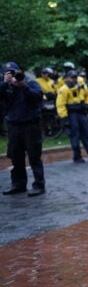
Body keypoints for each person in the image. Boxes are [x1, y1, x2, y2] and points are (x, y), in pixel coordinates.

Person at [1, 62, 45, 196]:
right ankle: (18, 184)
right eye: (9, 73)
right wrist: (5, 83)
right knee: (15, 155)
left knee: (34, 155)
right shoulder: (5, 86)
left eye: (14, 72)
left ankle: (39, 185)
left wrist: (24, 87)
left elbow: (38, 97)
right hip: (14, 125)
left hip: (30, 125)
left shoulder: (30, 83)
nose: (13, 76)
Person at [56, 70, 88, 162]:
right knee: (75, 135)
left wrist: (87, 104)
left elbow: (87, 95)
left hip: (81, 112)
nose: (74, 79)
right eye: (72, 77)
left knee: (87, 134)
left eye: (75, 77)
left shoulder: (81, 87)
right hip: (71, 114)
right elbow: (60, 105)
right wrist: (64, 118)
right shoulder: (64, 89)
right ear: (67, 78)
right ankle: (77, 156)